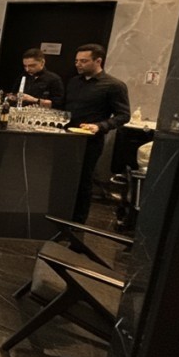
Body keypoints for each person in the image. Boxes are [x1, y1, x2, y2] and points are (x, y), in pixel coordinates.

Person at [63, 42, 131, 223]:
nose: (78, 64)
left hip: (90, 141)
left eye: (83, 61)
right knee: (62, 180)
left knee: (83, 182)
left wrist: (100, 126)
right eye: (77, 61)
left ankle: (77, 224)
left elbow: (124, 115)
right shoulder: (73, 82)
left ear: (98, 61)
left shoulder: (114, 85)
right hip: (66, 138)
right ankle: (60, 216)